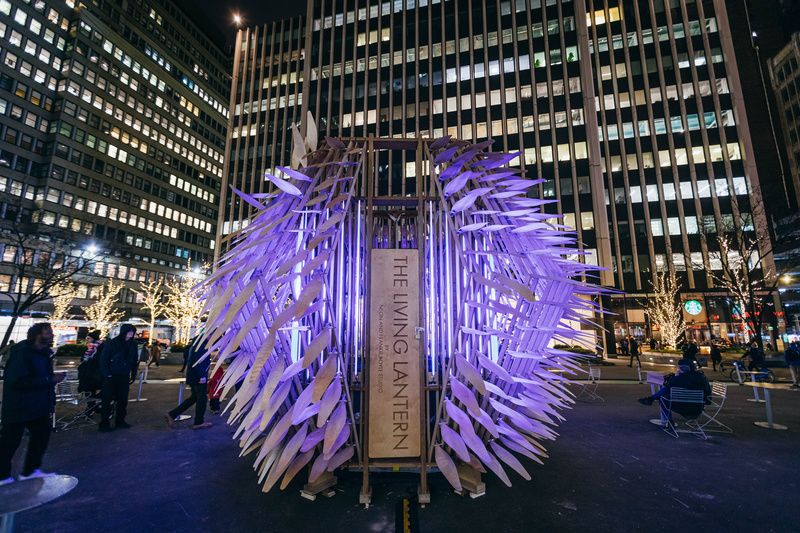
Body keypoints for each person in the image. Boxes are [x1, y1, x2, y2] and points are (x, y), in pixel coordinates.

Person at [0, 323, 64, 485]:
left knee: (41, 436)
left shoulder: (43, 354)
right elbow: (16, 380)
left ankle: (30, 470)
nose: (52, 335)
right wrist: (49, 380)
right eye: (48, 332)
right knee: (10, 442)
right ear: (37, 335)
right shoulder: (22, 353)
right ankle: (2, 475)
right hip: (19, 406)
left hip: (38, 406)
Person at [637, 358, 711, 423]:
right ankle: (651, 398)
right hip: (697, 407)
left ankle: (668, 421)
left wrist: (676, 376)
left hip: (680, 406)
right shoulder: (702, 377)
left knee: (662, 398)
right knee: (666, 392)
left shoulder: (678, 379)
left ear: (681, 368)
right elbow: (708, 393)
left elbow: (667, 387)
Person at [165, 337, 212, 429]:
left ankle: (172, 414)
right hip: (198, 377)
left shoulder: (197, 344)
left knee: (194, 397)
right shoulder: (201, 345)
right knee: (202, 399)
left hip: (194, 376)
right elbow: (199, 361)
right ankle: (198, 422)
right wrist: (202, 376)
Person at [98, 324, 138, 431]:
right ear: (123, 331)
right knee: (107, 400)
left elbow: (134, 360)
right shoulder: (113, 343)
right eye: (129, 331)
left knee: (122, 400)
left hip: (124, 375)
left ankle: (120, 421)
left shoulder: (133, 344)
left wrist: (133, 373)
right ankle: (104, 423)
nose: (131, 333)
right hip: (111, 375)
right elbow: (104, 359)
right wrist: (107, 374)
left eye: (132, 332)